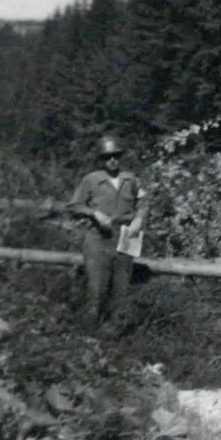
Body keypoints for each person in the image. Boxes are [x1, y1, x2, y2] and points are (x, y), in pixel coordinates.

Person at [67, 135, 149, 327]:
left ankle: (116, 336)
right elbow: (73, 206)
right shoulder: (91, 180)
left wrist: (138, 219)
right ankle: (89, 334)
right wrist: (94, 213)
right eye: (107, 157)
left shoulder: (130, 179)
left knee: (121, 289)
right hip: (98, 238)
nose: (112, 160)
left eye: (115, 156)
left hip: (126, 236)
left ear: (120, 157)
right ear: (100, 159)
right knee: (97, 290)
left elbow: (143, 202)